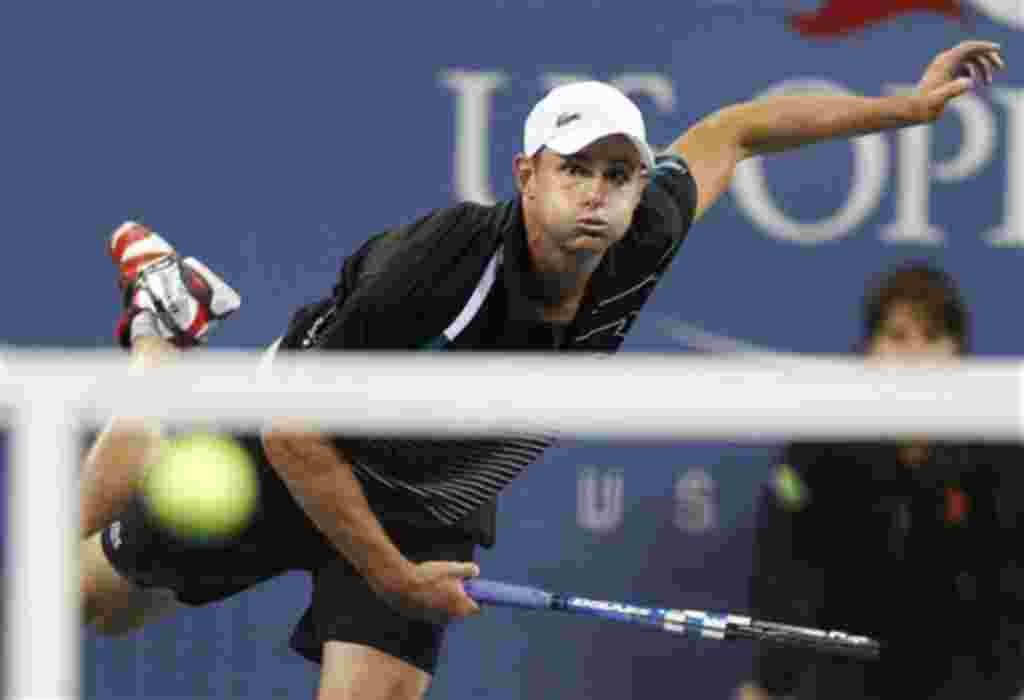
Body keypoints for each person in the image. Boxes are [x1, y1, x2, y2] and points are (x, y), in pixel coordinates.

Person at [81, 42, 1006, 700]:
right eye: (577, 171)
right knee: (92, 605)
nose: (599, 194)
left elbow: (741, 129)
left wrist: (909, 108)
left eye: (619, 173)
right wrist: (396, 578)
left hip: (426, 499)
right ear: (527, 174)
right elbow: (294, 434)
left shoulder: (644, 233)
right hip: (290, 446)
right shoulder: (436, 268)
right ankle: (164, 339)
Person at [737, 263, 1024, 700]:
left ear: (957, 351)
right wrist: (770, 682)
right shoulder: (819, 448)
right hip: (840, 679)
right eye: (897, 336)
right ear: (869, 347)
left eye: (931, 338)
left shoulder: (999, 452)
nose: (915, 356)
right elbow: (784, 575)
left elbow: (1009, 586)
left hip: (968, 681)